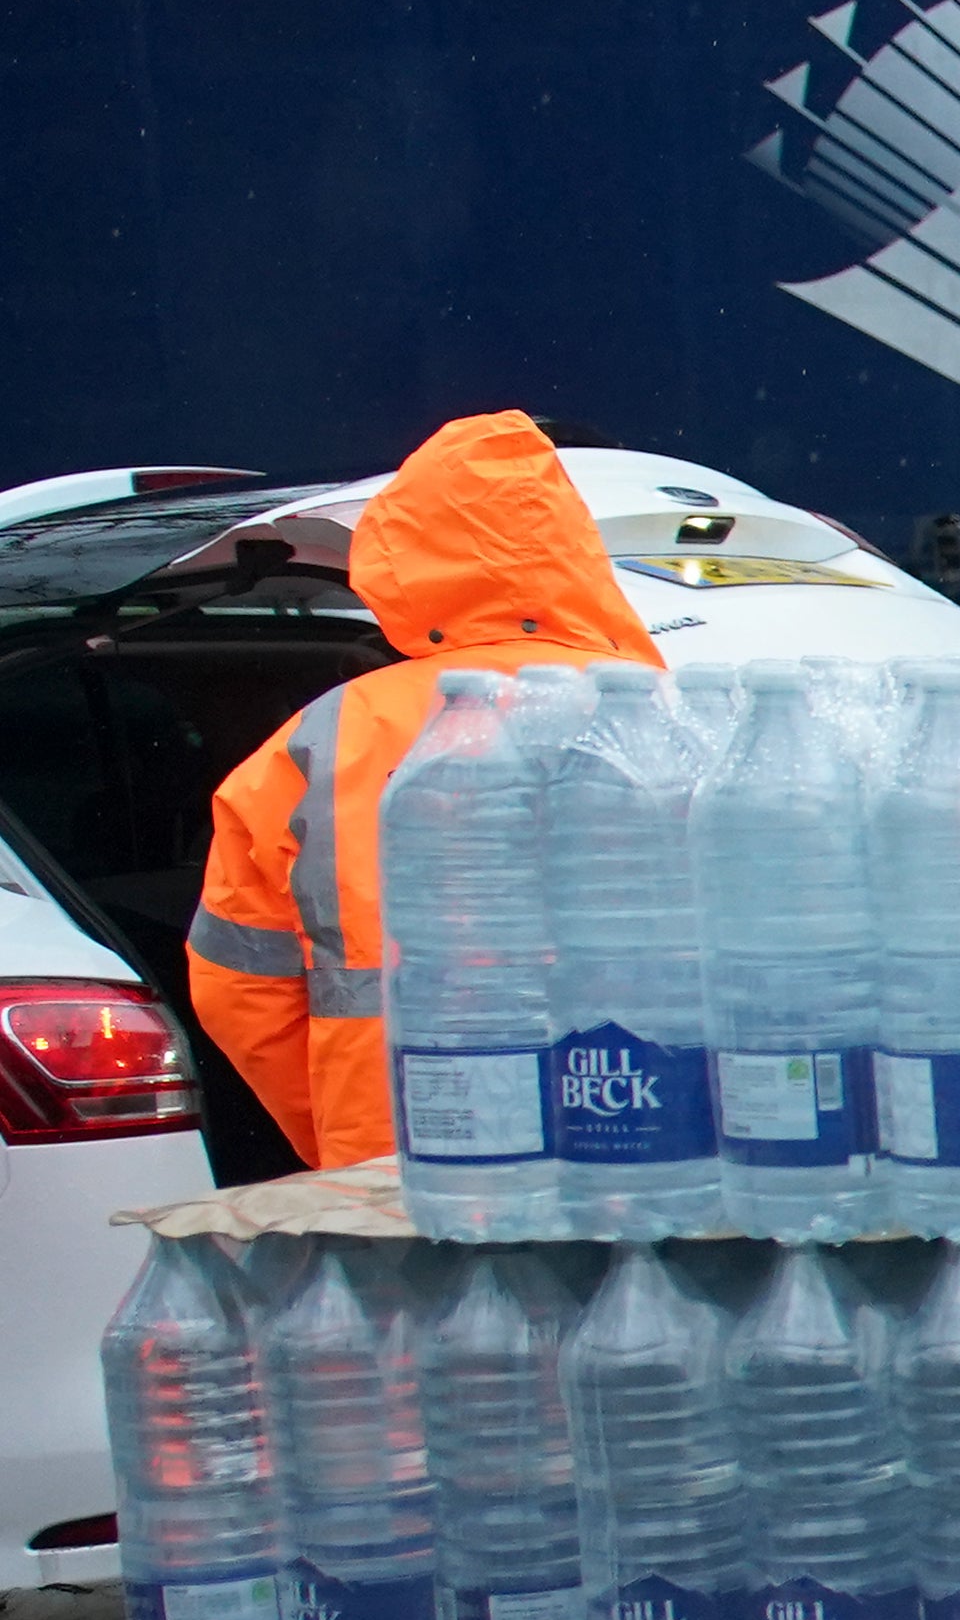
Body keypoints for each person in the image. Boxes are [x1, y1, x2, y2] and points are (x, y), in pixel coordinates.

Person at [187, 407, 667, 1169]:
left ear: (397, 559)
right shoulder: (670, 716)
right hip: (651, 1138)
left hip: (407, 1163)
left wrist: (339, 1136)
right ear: (573, 549)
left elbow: (238, 990)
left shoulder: (321, 738)